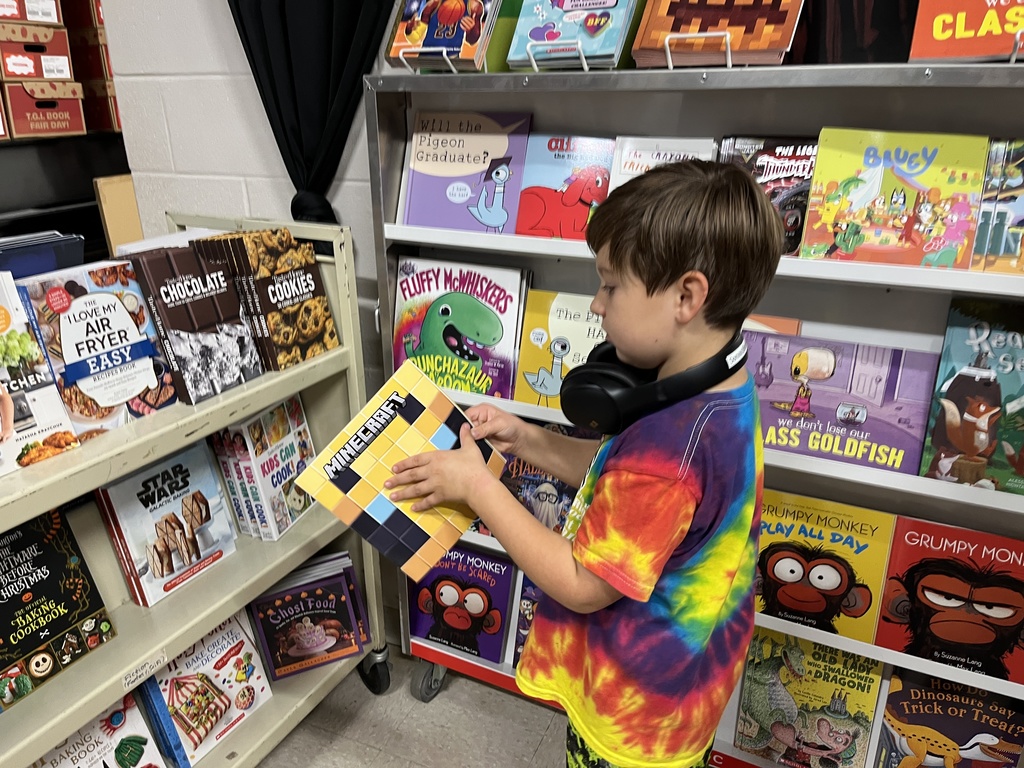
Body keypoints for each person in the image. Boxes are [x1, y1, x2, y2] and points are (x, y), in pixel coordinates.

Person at [386, 160, 784, 768]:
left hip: (630, 726)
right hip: (681, 695)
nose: (596, 305)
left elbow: (580, 583)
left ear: (686, 295)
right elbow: (619, 475)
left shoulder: (672, 449)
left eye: (611, 285)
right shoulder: (719, 390)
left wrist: (476, 486)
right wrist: (530, 440)